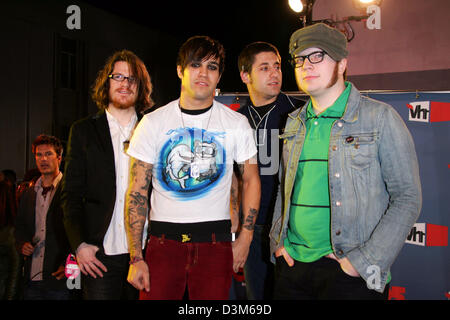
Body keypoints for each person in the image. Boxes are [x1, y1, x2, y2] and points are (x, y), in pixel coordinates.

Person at [270, 23, 422, 300]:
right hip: (292, 268)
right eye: (300, 59)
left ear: (342, 64)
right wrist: (278, 245)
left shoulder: (379, 118)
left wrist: (362, 262)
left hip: (350, 272)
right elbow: (285, 188)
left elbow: (407, 197)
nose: (306, 65)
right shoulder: (293, 123)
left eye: (318, 55)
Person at [125, 35, 261, 300]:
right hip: (163, 243)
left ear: (219, 76)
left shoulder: (236, 123)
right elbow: (137, 192)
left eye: (212, 67)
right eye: (195, 65)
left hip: (216, 243)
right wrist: (135, 257)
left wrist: (245, 238)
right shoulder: (152, 123)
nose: (203, 73)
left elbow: (251, 180)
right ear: (180, 70)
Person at [61, 50, 154, 300]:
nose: (124, 84)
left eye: (132, 78)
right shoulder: (83, 131)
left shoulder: (154, 128)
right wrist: (80, 245)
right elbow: (70, 194)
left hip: (148, 252)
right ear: (107, 82)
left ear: (141, 86)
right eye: (118, 77)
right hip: (99, 255)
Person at [235, 42, 303, 300]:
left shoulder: (300, 112)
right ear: (245, 75)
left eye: (277, 66)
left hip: (291, 229)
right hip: (252, 229)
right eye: (264, 68)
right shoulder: (237, 120)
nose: (275, 73)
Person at [14, 134, 71, 300]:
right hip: (33, 276)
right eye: (39, 155)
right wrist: (21, 244)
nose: (43, 159)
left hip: (60, 274)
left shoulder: (70, 191)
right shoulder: (29, 193)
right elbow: (20, 228)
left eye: (48, 154)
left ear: (59, 157)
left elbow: (80, 230)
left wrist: (70, 261)